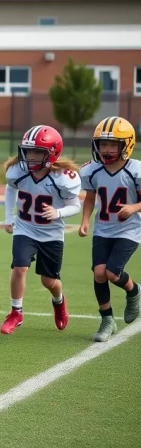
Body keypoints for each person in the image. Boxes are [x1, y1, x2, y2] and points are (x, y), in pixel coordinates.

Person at [1, 125, 82, 335]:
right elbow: (10, 189)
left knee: (49, 281)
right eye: (29, 151)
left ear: (51, 153)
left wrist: (58, 213)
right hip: (25, 228)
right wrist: (9, 216)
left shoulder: (62, 177)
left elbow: (76, 205)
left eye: (37, 151)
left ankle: (59, 301)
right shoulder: (18, 171)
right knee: (20, 267)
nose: (31, 156)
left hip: (51, 234)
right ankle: (16, 312)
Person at [79, 116, 141, 342]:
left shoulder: (135, 171)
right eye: (102, 144)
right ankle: (107, 319)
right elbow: (90, 197)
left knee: (113, 273)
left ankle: (134, 291)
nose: (106, 149)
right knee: (98, 273)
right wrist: (85, 220)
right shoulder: (92, 171)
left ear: (126, 145)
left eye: (112, 144)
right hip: (103, 229)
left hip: (129, 230)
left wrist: (134, 207)